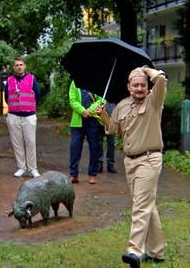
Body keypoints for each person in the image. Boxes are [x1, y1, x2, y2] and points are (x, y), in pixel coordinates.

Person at [96, 66, 167, 267]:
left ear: (147, 87)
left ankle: (135, 251)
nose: (139, 88)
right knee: (147, 205)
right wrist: (103, 114)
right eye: (135, 85)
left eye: (142, 85)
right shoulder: (122, 105)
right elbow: (112, 129)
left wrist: (146, 70)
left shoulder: (154, 101)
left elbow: (161, 81)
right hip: (130, 162)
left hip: (149, 160)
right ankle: (157, 251)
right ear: (128, 87)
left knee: (140, 206)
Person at [4, 56, 41, 178]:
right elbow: (6, 97)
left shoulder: (32, 78)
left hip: (29, 115)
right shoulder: (9, 80)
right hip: (13, 115)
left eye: (21, 64)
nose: (19, 67)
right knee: (17, 143)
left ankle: (32, 168)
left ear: (25, 66)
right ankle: (21, 167)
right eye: (16, 65)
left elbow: (38, 95)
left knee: (30, 142)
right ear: (14, 67)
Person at [68, 81, 103, 184]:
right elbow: (72, 100)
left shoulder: (97, 81)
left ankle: (92, 174)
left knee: (94, 148)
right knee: (74, 148)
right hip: (77, 121)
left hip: (93, 121)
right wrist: (83, 111)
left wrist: (90, 111)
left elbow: (101, 99)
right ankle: (73, 174)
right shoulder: (74, 82)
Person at [97, 101, 117, 173]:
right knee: (99, 143)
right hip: (99, 121)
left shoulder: (114, 98)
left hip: (111, 122)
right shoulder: (101, 95)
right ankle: (99, 164)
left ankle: (110, 165)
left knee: (111, 144)